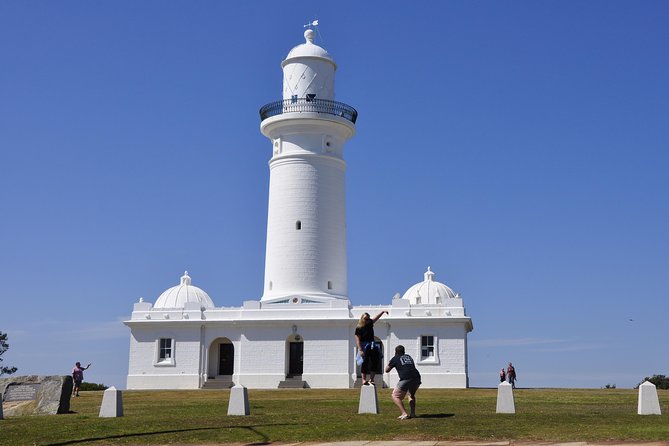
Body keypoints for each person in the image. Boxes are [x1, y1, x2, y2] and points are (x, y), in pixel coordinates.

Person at [385, 345, 421, 420]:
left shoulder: (395, 358)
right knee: (411, 395)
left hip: (406, 378)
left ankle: (404, 413)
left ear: (395, 352)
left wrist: (391, 362)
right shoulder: (408, 357)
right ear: (404, 351)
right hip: (417, 377)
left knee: (395, 396)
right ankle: (413, 413)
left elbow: (386, 370)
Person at [354, 310, 388, 386]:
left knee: (375, 360)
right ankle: (363, 379)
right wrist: (360, 350)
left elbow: (376, 318)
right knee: (364, 362)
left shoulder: (370, 323)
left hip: (372, 344)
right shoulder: (359, 328)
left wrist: (382, 312)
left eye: (368, 319)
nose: (367, 320)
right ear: (362, 319)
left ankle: (372, 379)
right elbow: (357, 340)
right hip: (364, 345)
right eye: (366, 319)